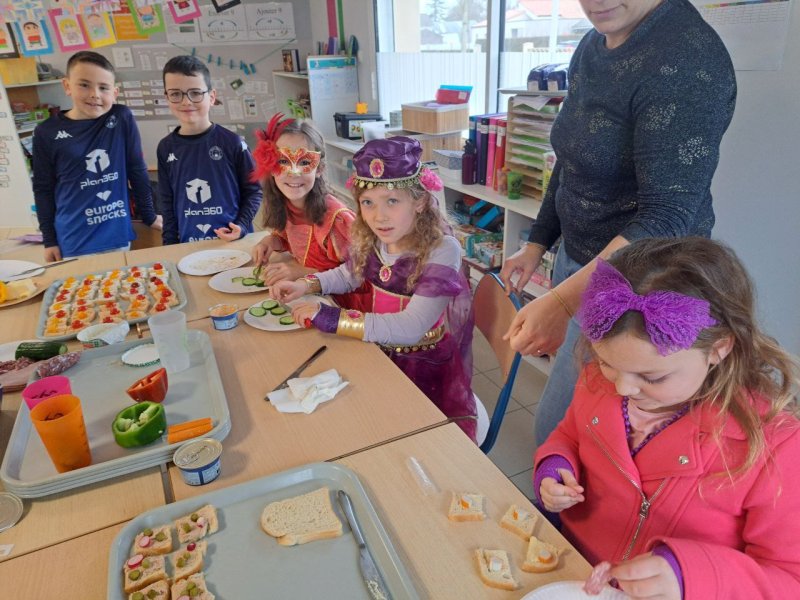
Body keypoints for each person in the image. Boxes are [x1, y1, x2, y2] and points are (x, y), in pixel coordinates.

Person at [499, 0, 737, 445]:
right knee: (564, 434)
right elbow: (571, 160)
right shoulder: (594, 44)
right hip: (581, 263)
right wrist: (538, 242)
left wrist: (563, 303)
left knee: (575, 433)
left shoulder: (687, 58)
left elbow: (667, 217)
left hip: (640, 289)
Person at [534, 237, 800, 599]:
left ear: (719, 349)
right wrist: (555, 464)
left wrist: (691, 576)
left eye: (653, 377)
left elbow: (788, 579)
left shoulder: (775, 447)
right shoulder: (599, 382)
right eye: (607, 362)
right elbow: (570, 434)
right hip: (573, 574)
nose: (624, 387)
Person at [270, 137, 477, 441]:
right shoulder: (377, 238)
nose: (379, 216)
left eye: (392, 201)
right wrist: (306, 284)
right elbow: (349, 275)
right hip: (378, 349)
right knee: (356, 424)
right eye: (368, 202)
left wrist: (330, 317)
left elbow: (411, 328)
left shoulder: (442, 249)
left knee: (404, 438)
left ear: (420, 201)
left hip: (423, 365)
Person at [32, 51, 161, 261]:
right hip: (74, 239)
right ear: (67, 86)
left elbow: (136, 169)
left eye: (103, 87)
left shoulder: (121, 118)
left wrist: (149, 215)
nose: (95, 94)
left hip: (117, 235)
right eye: (84, 85)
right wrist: (49, 240)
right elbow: (43, 188)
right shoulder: (46, 132)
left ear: (115, 92)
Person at [250, 113, 370, 311]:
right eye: (283, 161)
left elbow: (363, 274)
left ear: (319, 168)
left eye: (305, 162)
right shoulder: (287, 204)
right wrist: (272, 241)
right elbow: (294, 240)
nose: (294, 172)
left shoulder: (338, 220)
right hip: (307, 300)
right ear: (270, 165)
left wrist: (301, 271)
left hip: (343, 309)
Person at [157, 55, 261, 244]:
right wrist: (169, 245)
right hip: (188, 245)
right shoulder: (165, 148)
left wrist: (242, 225)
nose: (186, 101)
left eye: (195, 93)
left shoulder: (232, 143)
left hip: (232, 243)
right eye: (175, 94)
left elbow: (254, 191)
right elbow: (167, 202)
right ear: (167, 98)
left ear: (211, 97)